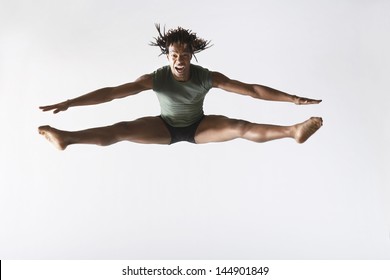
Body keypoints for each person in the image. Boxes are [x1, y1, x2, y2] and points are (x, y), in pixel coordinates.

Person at [39, 24, 323, 150]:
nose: (179, 61)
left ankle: (293, 131)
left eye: (184, 55)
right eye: (174, 56)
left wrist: (293, 99)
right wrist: (69, 102)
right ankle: (66, 138)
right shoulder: (155, 78)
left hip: (200, 126)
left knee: (239, 126)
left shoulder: (206, 76)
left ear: (191, 56)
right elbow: (112, 93)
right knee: (121, 131)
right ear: (167, 56)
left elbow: (251, 90)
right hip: (163, 127)